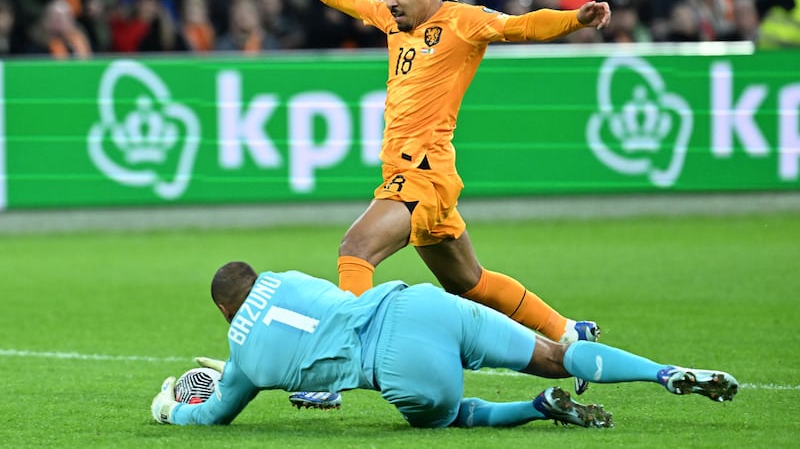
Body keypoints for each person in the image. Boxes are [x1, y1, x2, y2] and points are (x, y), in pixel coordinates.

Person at [234, 0, 611, 347]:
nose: (390, 2)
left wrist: (575, 19)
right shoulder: (393, 22)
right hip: (419, 176)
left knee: (356, 249)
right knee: (471, 283)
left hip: (422, 175)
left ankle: (342, 358)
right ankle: (568, 331)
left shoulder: (464, 22)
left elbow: (521, 26)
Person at [150, 261, 738, 428]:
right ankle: (663, 372)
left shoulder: (245, 358)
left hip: (395, 363)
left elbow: (216, 413)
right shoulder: (288, 279)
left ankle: (535, 410)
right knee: (553, 354)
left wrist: (171, 407)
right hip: (416, 302)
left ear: (224, 311)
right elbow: (307, 315)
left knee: (451, 413)